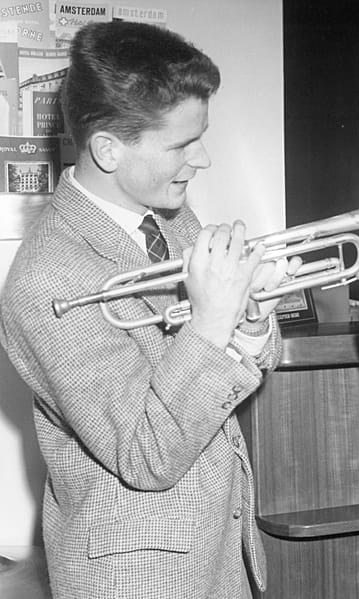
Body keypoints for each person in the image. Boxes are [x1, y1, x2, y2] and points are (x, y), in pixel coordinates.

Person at [0, 22, 298, 599]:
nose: (203, 158)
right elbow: (147, 454)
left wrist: (253, 314)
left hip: (214, 552)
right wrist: (213, 321)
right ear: (109, 149)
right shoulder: (46, 279)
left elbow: (240, 370)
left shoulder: (169, 218)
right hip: (133, 574)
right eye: (182, 144)